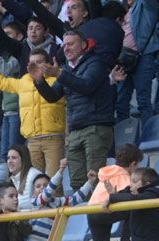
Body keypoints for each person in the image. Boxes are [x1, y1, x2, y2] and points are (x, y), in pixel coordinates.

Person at [32, 30, 114, 191]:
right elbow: (53, 96)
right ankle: (83, 216)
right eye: (64, 45)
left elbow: (86, 86)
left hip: (95, 127)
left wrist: (59, 74)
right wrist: (39, 81)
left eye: (71, 44)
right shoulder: (66, 69)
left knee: (94, 180)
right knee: (77, 183)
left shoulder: (96, 62)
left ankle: (97, 215)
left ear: (83, 45)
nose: (66, 49)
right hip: (75, 131)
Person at [0, 49, 65, 175]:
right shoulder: (23, 81)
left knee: (55, 180)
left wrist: (58, 73)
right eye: (32, 63)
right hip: (32, 140)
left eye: (39, 62)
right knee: (35, 181)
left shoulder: (56, 79)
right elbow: (2, 82)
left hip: (53, 138)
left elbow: (69, 79)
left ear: (48, 63)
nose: (35, 66)